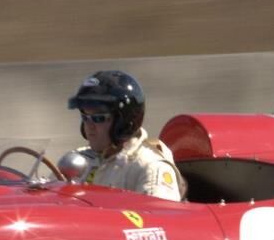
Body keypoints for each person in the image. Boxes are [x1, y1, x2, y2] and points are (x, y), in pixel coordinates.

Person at [65, 70, 185, 201]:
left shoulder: (151, 167)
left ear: (124, 123)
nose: (89, 125)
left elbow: (160, 218)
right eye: (85, 117)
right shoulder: (76, 160)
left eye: (98, 118)